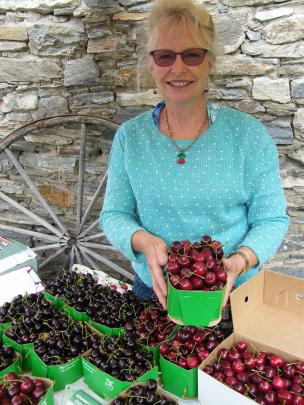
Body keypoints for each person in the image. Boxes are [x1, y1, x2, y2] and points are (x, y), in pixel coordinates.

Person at [100, 0, 289, 310]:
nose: (178, 68)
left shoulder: (248, 135)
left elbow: (271, 219)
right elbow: (114, 215)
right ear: (151, 65)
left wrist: (240, 261)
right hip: (155, 295)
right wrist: (143, 242)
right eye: (164, 56)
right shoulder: (130, 138)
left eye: (192, 54)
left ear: (209, 62)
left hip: (233, 296)